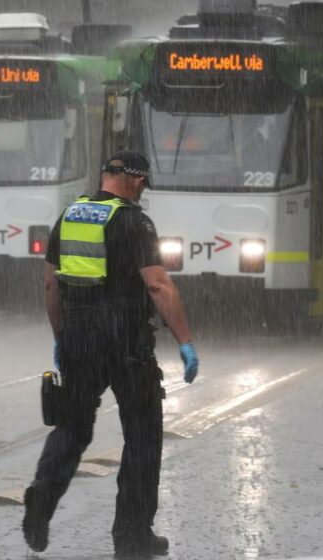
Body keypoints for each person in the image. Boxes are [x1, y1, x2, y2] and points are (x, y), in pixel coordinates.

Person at [23, 150, 200, 558]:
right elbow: (158, 286)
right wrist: (185, 340)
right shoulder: (134, 222)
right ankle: (132, 536)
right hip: (126, 341)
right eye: (144, 183)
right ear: (135, 179)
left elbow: (51, 285)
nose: (143, 190)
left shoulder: (68, 216)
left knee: (71, 428)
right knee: (142, 434)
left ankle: (41, 500)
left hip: (78, 337)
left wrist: (61, 335)